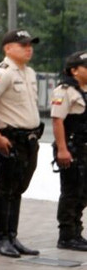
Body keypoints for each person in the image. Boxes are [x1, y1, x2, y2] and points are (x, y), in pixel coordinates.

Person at [0, 29, 45, 257]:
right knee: (5, 188)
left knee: (18, 188)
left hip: (29, 139)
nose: (28, 48)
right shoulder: (2, 73)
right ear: (8, 48)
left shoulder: (28, 72)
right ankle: (1, 239)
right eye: (23, 45)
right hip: (9, 138)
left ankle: (12, 236)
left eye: (30, 44)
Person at [50, 50, 87, 252]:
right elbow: (57, 121)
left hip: (84, 149)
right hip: (71, 148)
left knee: (83, 192)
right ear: (74, 70)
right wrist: (62, 149)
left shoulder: (85, 90)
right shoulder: (64, 91)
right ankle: (66, 235)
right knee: (71, 192)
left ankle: (77, 231)